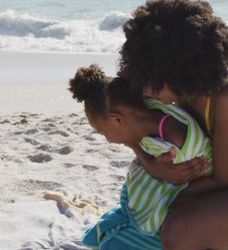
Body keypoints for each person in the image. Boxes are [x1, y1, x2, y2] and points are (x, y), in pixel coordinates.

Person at [118, 0, 228, 249]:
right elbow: (128, 132)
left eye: (154, 78)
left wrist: (166, 196)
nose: (145, 88)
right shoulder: (177, 92)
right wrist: (155, 169)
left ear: (182, 69)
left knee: (180, 230)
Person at [67, 65, 212, 249]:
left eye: (102, 132)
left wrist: (155, 169)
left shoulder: (176, 139)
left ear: (117, 120)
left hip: (181, 214)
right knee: (97, 234)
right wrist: (146, 158)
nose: (107, 140)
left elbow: (171, 182)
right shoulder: (147, 116)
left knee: (112, 244)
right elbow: (153, 165)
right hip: (163, 202)